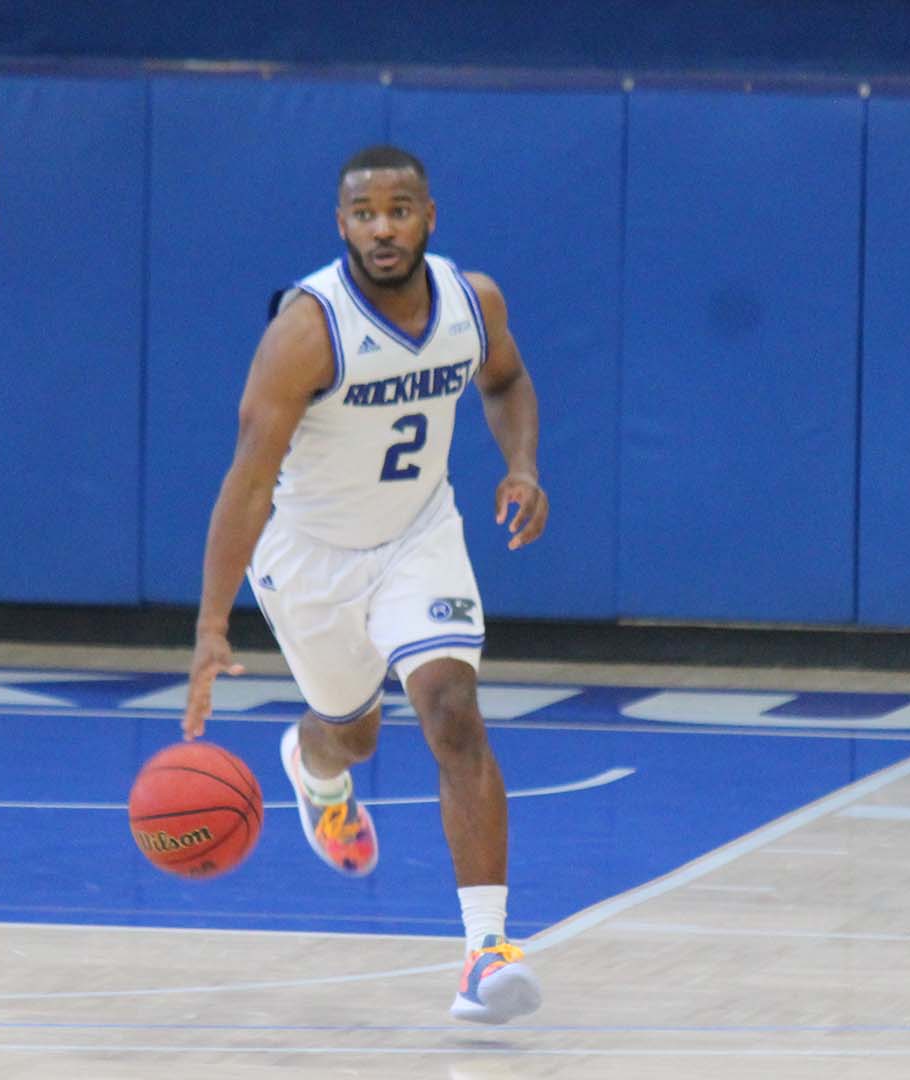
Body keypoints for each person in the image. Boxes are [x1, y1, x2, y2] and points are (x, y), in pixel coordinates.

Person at [183, 145, 550, 1024]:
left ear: (430, 215)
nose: (382, 227)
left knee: (452, 713)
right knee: (351, 737)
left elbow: (505, 380)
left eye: (399, 208)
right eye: (363, 213)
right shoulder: (307, 330)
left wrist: (522, 466)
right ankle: (315, 769)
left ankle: (484, 951)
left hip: (420, 537)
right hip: (311, 558)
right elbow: (247, 483)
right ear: (340, 223)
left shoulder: (475, 301)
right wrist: (210, 627)